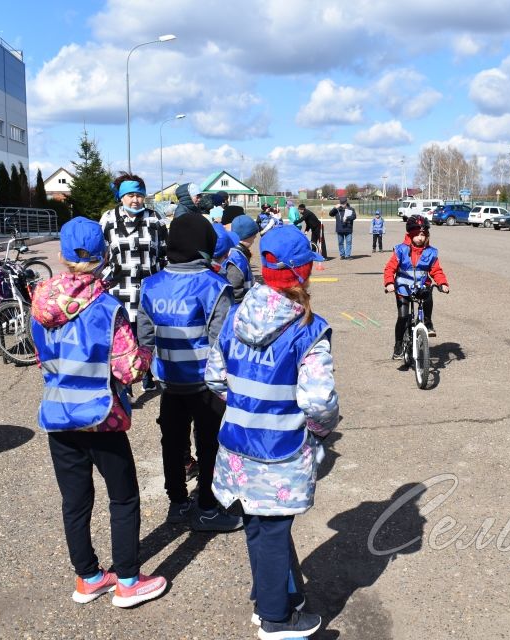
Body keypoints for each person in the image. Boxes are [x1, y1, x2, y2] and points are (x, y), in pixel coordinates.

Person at [205, 224, 338, 639]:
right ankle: (276, 620)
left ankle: (275, 595)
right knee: (275, 528)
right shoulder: (308, 328)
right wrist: (317, 431)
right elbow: (319, 402)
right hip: (280, 450)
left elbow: (214, 376)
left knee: (258, 526)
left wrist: (246, 403)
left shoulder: (238, 314)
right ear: (304, 271)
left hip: (237, 445)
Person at [30, 216, 167, 608]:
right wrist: (146, 352)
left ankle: (88, 576)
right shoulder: (108, 308)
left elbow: (42, 357)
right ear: (105, 256)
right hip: (102, 418)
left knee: (75, 500)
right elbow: (129, 369)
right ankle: (127, 580)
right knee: (123, 498)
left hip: (58, 414)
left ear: (61, 254)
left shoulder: (39, 302)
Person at [137, 213, 243, 533]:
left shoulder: (151, 284)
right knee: (209, 444)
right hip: (205, 386)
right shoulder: (214, 285)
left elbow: (144, 336)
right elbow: (222, 341)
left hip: (170, 383)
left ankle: (178, 503)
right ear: (204, 245)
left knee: (172, 442)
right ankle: (208, 508)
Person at [99, 173, 168, 391]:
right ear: (121, 197)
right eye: (130, 195)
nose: (135, 200)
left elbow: (164, 252)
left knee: (146, 335)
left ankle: (146, 374)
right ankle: (124, 379)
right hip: (119, 288)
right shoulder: (108, 219)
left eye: (139, 195)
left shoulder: (155, 218)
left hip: (149, 286)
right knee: (122, 336)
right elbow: (102, 253)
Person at [383, 214, 450, 357]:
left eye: (423, 234)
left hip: (421, 286)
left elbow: (436, 270)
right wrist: (389, 282)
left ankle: (428, 322)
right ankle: (399, 343)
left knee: (428, 294)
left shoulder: (430, 252)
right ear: (410, 235)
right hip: (402, 287)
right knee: (403, 317)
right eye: (417, 234)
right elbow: (390, 268)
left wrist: (442, 283)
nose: (420, 238)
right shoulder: (401, 250)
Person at [224, 215, 258, 303]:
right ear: (246, 235)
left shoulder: (239, 253)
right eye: (253, 234)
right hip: (237, 307)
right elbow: (234, 289)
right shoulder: (236, 258)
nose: (255, 237)